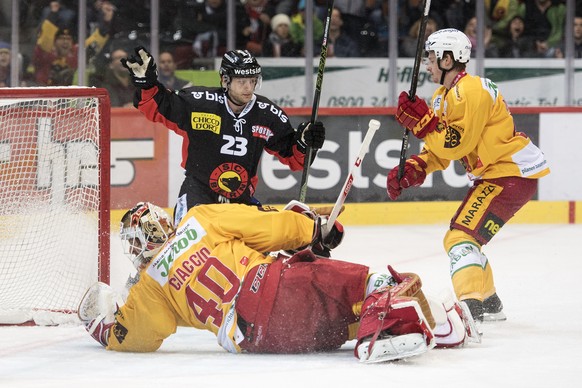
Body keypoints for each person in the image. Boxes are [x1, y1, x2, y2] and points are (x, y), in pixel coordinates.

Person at [78, 201, 478, 362]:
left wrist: (102, 327)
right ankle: (422, 322)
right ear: (166, 221)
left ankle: (394, 326)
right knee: (359, 285)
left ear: (136, 245)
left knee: (331, 321)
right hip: (269, 286)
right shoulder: (199, 218)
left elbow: (140, 336)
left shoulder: (149, 286)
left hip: (258, 339)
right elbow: (273, 227)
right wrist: (314, 229)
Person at [389, 28, 550, 323]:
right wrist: (417, 166)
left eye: (432, 57)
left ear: (448, 59)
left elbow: (457, 143)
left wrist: (424, 124)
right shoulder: (443, 96)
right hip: (500, 175)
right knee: (466, 237)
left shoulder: (471, 90)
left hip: (508, 173)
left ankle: (471, 306)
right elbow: (441, 149)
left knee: (459, 237)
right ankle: (488, 303)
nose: (428, 63)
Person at [121, 47, 325, 224]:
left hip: (241, 199)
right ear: (225, 80)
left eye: (253, 81)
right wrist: (147, 85)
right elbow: (158, 106)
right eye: (242, 81)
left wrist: (305, 142)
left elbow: (295, 158)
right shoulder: (200, 103)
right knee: (188, 251)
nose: (248, 87)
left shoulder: (267, 114)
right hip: (198, 192)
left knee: (249, 256)